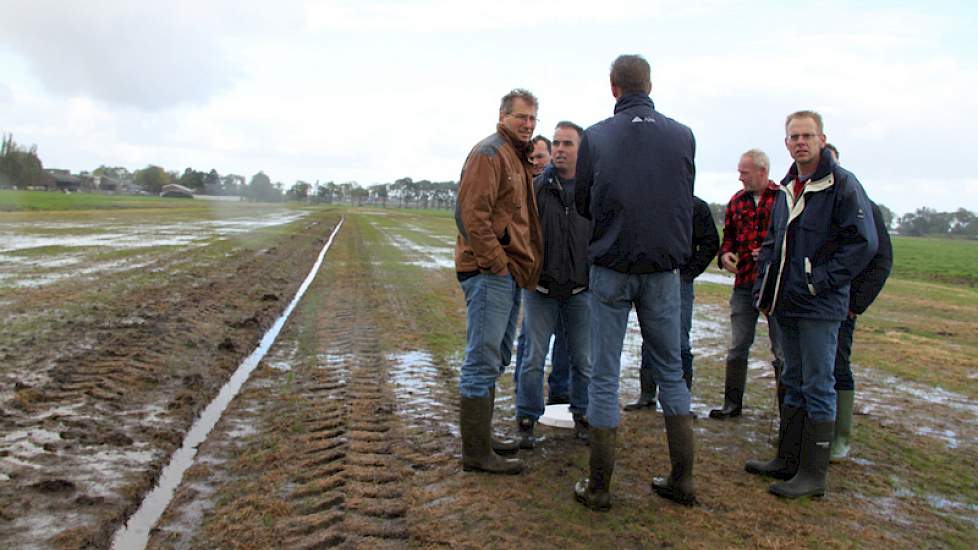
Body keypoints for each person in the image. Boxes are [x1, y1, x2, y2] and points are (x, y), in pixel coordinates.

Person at [573, 54, 698, 510]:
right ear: (649, 83)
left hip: (611, 265)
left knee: (605, 374)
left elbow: (584, 198)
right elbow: (684, 194)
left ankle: (600, 486)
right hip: (664, 270)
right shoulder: (683, 135)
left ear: (613, 88)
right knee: (671, 372)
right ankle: (682, 479)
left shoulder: (597, 135)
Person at [745, 111, 877, 499]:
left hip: (820, 306)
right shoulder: (787, 187)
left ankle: (813, 475)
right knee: (792, 379)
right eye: (793, 136)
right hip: (785, 303)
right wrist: (764, 285)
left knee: (819, 384)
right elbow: (773, 241)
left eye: (807, 135)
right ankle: (788, 459)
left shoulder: (844, 186)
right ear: (786, 144)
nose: (800, 142)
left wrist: (818, 280)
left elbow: (863, 244)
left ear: (822, 139)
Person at [454, 88, 543, 475]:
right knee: (481, 359)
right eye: (521, 117)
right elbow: (471, 216)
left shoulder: (515, 156)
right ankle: (475, 454)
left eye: (532, 119)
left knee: (496, 358)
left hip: (507, 275)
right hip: (491, 273)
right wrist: (497, 264)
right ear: (503, 116)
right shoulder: (489, 153)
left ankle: (483, 438)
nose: (527, 125)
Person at [516, 121, 592, 447]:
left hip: (580, 290)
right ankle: (526, 417)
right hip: (540, 290)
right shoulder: (536, 189)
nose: (559, 149)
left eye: (567, 144)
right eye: (557, 143)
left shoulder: (594, 191)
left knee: (584, 359)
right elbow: (520, 232)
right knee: (533, 358)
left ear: (582, 149)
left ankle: (584, 415)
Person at [823, 144, 893, 461]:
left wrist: (856, 304)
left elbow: (881, 260)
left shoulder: (865, 207)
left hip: (842, 305)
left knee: (838, 366)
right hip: (810, 303)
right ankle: (808, 434)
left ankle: (840, 438)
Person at [709, 150, 785, 419]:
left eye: (744, 172)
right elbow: (727, 239)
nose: (739, 177)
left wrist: (767, 253)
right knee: (738, 345)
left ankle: (786, 412)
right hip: (744, 284)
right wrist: (724, 255)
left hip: (776, 285)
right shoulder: (736, 202)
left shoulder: (783, 200)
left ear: (762, 171)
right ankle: (732, 405)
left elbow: (791, 241)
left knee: (781, 350)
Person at [624, 195, 718, 410]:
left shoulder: (697, 207)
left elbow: (710, 242)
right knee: (650, 337)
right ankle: (647, 395)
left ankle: (681, 402)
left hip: (679, 281)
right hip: (654, 276)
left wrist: (689, 273)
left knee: (680, 339)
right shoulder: (652, 204)